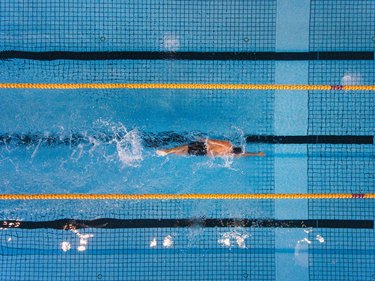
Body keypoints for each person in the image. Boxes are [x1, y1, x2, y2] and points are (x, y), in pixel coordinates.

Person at [156, 138, 265, 157]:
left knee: (185, 146)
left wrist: (204, 140)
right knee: (184, 152)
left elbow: (215, 141)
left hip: (205, 147)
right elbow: (243, 154)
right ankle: (168, 152)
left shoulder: (228, 145)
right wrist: (256, 154)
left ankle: (167, 151)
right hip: (205, 153)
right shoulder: (229, 154)